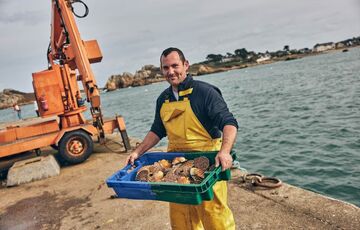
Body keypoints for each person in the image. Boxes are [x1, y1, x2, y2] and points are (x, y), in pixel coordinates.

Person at [126, 47, 238, 229]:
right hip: (176, 168)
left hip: (207, 164)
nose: (170, 72)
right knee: (181, 218)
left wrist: (224, 151)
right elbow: (157, 130)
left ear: (186, 65)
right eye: (165, 67)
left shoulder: (206, 92)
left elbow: (229, 123)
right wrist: (138, 151)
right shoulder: (163, 99)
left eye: (175, 66)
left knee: (214, 216)